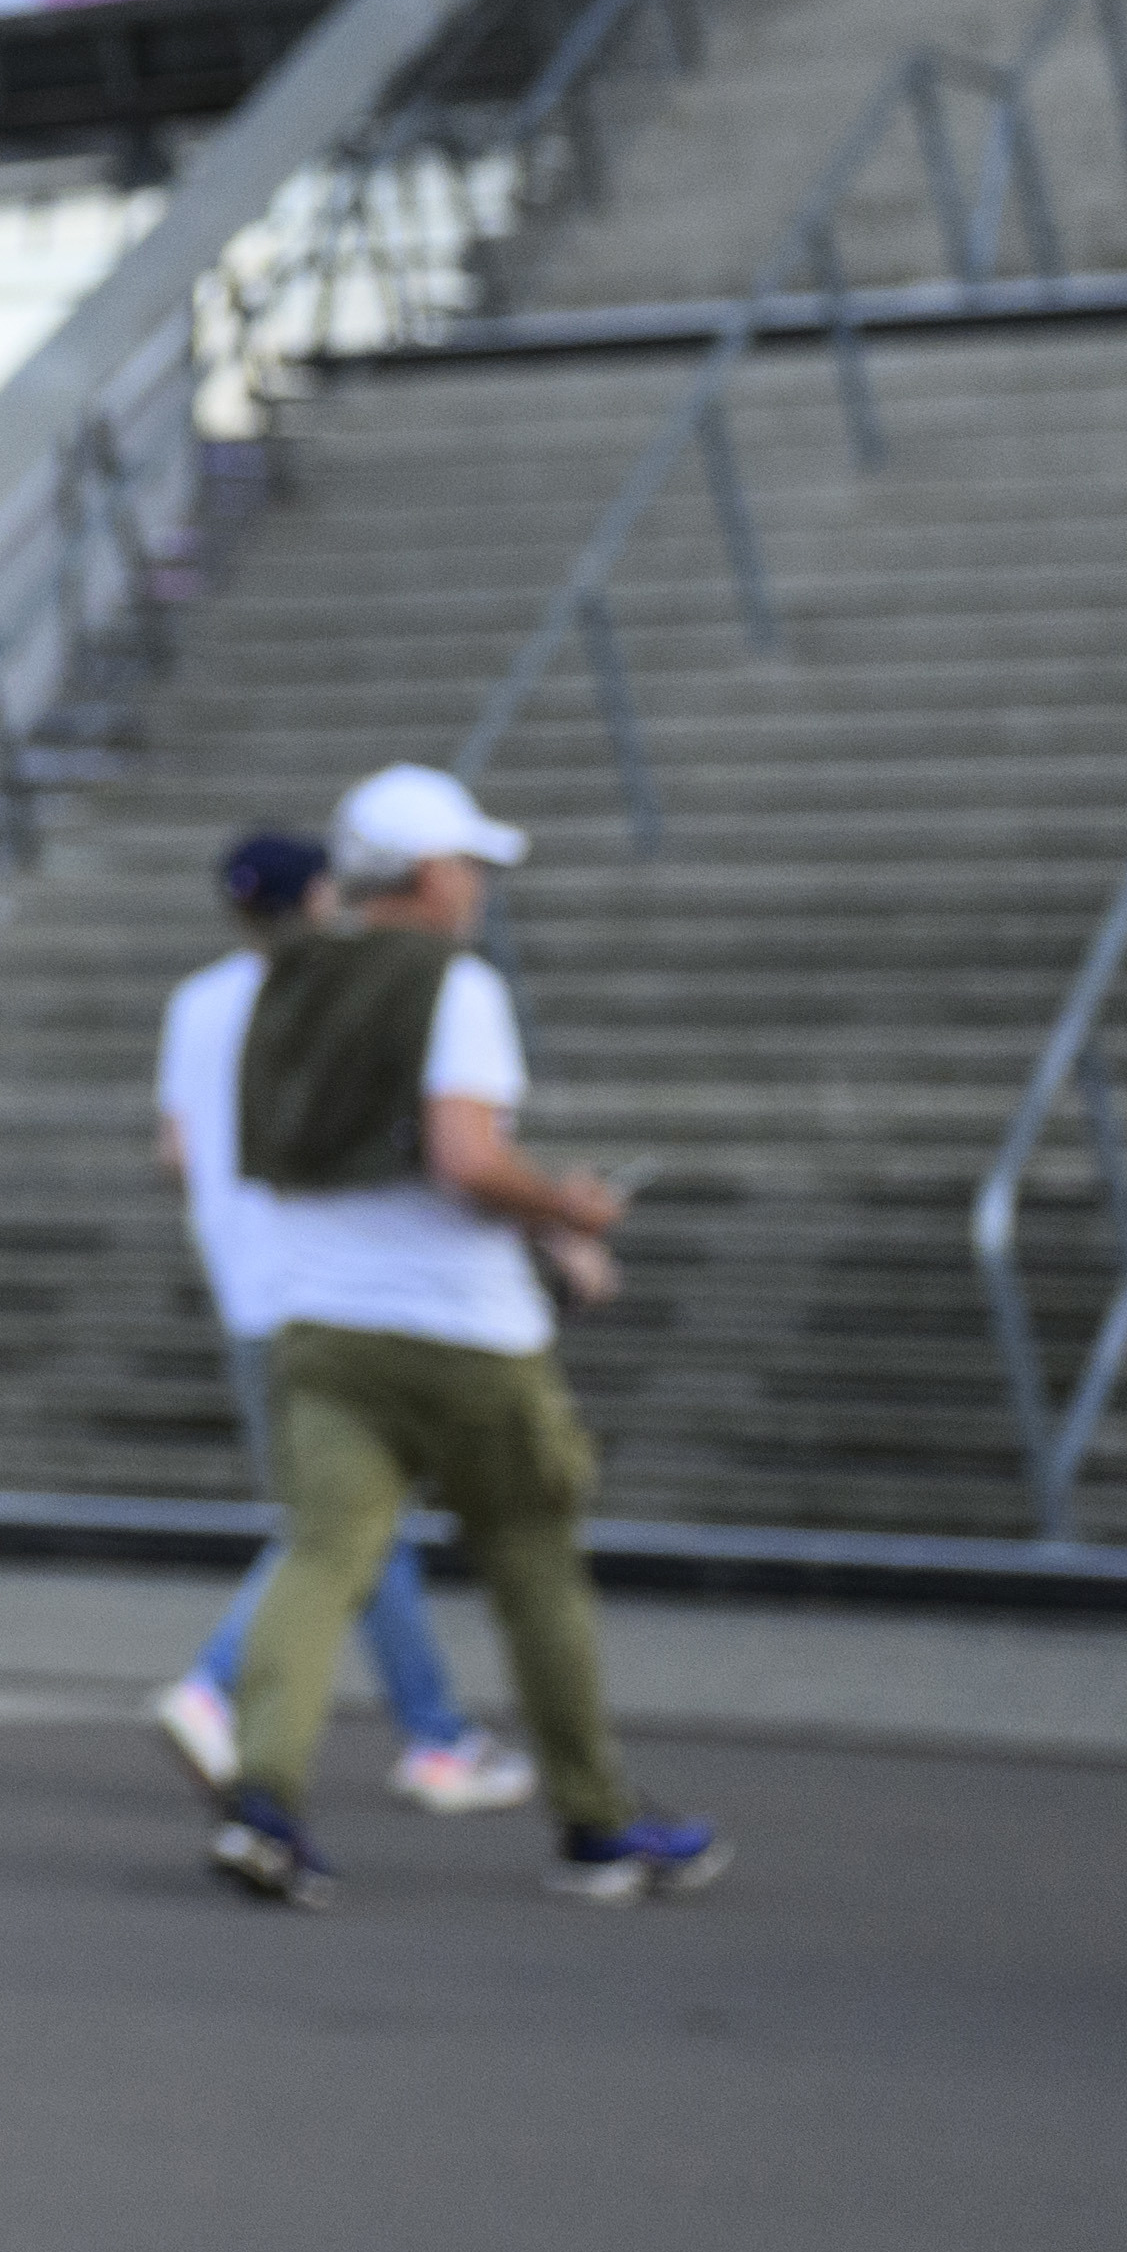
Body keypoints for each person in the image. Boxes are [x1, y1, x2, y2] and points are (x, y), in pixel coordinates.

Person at [198, 760, 716, 1911]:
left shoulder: (284, 981)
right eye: (469, 864)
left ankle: (267, 1798)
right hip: (462, 1329)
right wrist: (568, 1209)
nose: (477, 885)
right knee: (534, 1563)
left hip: (319, 1318)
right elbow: (465, 1157)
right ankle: (598, 1825)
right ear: (430, 872)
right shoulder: (454, 982)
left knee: (323, 1555)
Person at [143, 829, 520, 1821]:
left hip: (245, 1281)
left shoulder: (194, 1000)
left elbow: (176, 1146)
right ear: (322, 894)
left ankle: (436, 1732)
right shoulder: (342, 990)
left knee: (354, 1516)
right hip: (334, 1281)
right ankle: (221, 1685)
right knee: (343, 1518)